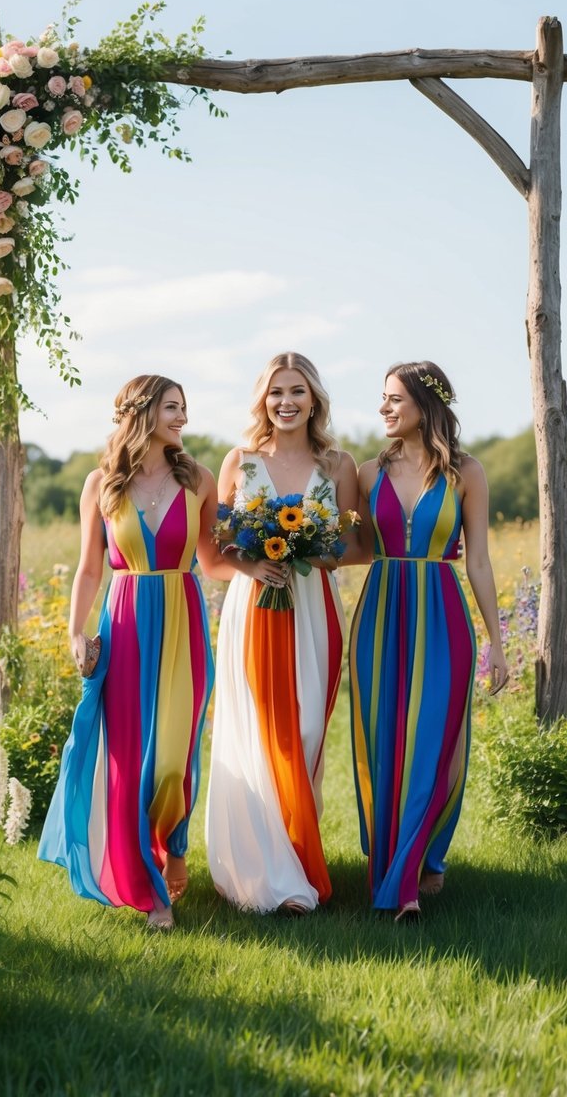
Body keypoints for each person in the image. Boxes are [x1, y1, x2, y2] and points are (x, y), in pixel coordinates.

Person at [38, 374, 231, 931]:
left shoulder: (198, 479)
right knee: (127, 762)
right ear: (141, 413)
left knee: (173, 757)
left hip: (182, 621)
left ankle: (174, 843)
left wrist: (261, 564)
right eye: (173, 408)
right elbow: (89, 567)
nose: (183, 419)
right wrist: (76, 633)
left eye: (184, 408)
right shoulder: (101, 484)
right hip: (121, 625)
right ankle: (153, 892)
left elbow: (213, 557)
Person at [349, 361, 508, 921]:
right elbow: (354, 549)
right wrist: (278, 549)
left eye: (394, 399)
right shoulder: (367, 472)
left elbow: (481, 561)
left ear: (424, 404)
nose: (384, 409)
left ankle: (414, 872)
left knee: (436, 742)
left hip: (443, 615)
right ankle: (401, 862)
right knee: (384, 738)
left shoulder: (468, 472)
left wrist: (497, 640)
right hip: (380, 615)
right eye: (383, 399)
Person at [206, 352, 359, 914]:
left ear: (314, 398)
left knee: (308, 729)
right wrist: (251, 564)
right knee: (261, 735)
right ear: (263, 401)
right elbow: (218, 546)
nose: (286, 402)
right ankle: (272, 875)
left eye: (297, 391)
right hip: (255, 609)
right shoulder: (240, 460)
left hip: (314, 606)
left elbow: (357, 545)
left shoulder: (339, 465)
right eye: (276, 393)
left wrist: (318, 551)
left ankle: (297, 850)